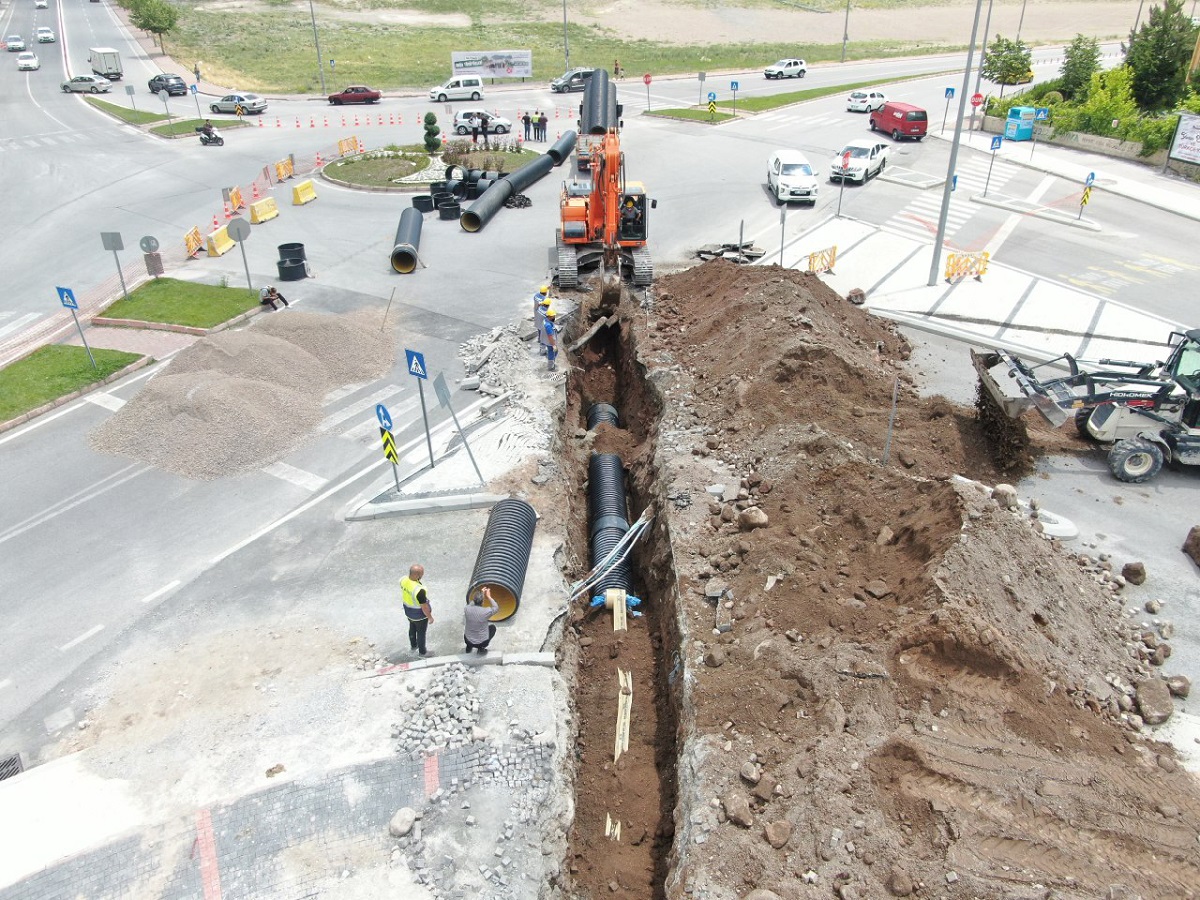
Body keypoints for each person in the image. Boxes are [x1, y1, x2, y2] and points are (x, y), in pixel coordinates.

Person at [401, 564, 434, 657]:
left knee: (412, 628)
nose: (422, 576)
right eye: (421, 574)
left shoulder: (403, 580)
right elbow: (424, 607)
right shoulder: (419, 590)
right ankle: (423, 653)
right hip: (419, 615)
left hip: (408, 612)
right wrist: (430, 617)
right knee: (421, 633)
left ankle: (413, 646)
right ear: (417, 575)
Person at [463, 586, 499, 655]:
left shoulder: (467, 609)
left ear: (474, 600)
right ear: (482, 602)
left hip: (468, 640)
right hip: (482, 642)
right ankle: (481, 649)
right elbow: (496, 607)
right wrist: (489, 596)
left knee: (469, 628)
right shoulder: (486, 611)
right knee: (492, 627)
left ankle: (468, 647)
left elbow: (471, 604)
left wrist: (480, 594)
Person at [533, 285, 552, 354]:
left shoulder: (536, 295)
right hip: (541, 317)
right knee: (542, 330)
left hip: (536, 312)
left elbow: (541, 298)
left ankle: (539, 338)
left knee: (538, 326)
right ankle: (541, 344)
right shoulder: (544, 301)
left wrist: (546, 288)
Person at [544, 306, 559, 372]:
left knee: (555, 352)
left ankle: (552, 362)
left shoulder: (548, 321)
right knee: (552, 352)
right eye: (553, 316)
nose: (554, 317)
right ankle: (551, 367)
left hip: (550, 341)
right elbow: (550, 337)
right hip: (550, 343)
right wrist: (554, 345)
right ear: (549, 317)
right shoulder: (548, 326)